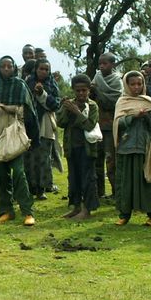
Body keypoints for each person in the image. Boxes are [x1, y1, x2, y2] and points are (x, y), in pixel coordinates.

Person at [0, 55, 38, 226]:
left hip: (15, 134)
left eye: (9, 66)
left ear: (14, 68)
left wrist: (7, 108)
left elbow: (25, 111)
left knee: (19, 173)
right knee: (1, 174)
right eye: (3, 66)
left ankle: (27, 211)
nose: (6, 69)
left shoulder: (20, 86)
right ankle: (7, 210)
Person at [112, 71, 151, 226]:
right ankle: (124, 214)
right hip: (126, 147)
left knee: (146, 181)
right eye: (132, 84)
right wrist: (133, 117)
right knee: (126, 183)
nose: (136, 87)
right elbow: (117, 124)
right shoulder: (122, 102)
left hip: (144, 147)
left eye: (139, 84)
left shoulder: (149, 102)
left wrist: (146, 118)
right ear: (127, 85)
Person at [56, 74, 99, 220]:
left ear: (89, 90)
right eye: (78, 90)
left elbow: (89, 125)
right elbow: (60, 123)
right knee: (73, 178)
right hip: (71, 146)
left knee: (88, 178)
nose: (81, 94)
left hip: (87, 148)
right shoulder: (69, 104)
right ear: (73, 90)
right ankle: (76, 207)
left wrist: (76, 112)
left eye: (84, 90)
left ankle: (87, 209)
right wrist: (65, 109)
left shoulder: (92, 106)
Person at [24, 59, 60, 200]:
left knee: (43, 158)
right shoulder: (28, 83)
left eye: (46, 69)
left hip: (45, 125)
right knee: (28, 158)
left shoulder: (52, 85)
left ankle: (42, 189)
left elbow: (55, 104)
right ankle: (29, 188)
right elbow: (24, 102)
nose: (43, 72)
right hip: (29, 125)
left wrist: (42, 94)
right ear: (36, 69)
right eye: (41, 69)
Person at [90, 52, 123, 198]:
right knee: (97, 160)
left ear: (113, 65)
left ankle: (117, 192)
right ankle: (99, 192)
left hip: (111, 126)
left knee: (111, 162)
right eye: (100, 64)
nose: (102, 66)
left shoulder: (118, 82)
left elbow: (112, 103)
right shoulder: (96, 78)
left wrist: (97, 91)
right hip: (97, 125)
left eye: (105, 63)